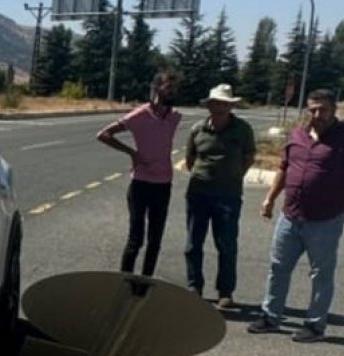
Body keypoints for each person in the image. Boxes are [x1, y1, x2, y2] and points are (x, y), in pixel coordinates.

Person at [249, 89, 344, 343]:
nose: (317, 114)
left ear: (334, 110)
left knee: (321, 273)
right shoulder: (297, 134)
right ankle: (270, 316)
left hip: (325, 219)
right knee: (278, 267)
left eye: (323, 109)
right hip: (290, 215)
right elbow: (284, 169)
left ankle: (315, 325)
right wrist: (270, 198)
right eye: (312, 109)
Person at [96, 72, 182, 277]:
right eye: (168, 87)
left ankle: (145, 283)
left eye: (175, 88)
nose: (172, 91)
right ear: (157, 88)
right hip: (141, 183)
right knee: (136, 237)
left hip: (163, 184)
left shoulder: (175, 116)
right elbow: (103, 135)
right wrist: (131, 152)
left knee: (155, 239)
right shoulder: (140, 114)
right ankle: (124, 280)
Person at [183, 83, 256, 309]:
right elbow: (190, 160)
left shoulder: (242, 129)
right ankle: (194, 286)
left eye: (225, 104)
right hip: (198, 194)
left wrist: (234, 176)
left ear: (230, 106)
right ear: (210, 105)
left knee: (226, 244)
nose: (220, 107)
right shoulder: (197, 129)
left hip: (228, 195)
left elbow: (249, 157)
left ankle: (225, 291)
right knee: (193, 243)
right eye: (216, 103)